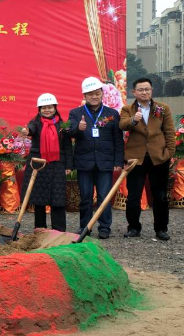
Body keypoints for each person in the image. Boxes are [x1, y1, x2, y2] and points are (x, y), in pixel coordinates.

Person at [119, 77, 176, 240]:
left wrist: (169, 153)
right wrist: (133, 120)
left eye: (147, 89)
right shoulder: (127, 109)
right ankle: (133, 228)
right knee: (133, 195)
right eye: (141, 89)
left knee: (160, 195)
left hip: (158, 157)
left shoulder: (162, 108)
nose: (144, 92)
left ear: (151, 90)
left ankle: (161, 229)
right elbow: (122, 125)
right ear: (134, 92)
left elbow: (169, 132)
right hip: (135, 159)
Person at [68, 77, 124, 239]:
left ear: (102, 94)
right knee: (85, 196)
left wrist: (118, 161)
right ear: (84, 95)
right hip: (84, 162)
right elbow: (69, 132)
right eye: (90, 94)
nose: (94, 96)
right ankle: (85, 227)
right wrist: (78, 128)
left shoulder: (112, 114)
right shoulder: (76, 113)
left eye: (97, 93)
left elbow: (118, 140)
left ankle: (104, 227)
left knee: (104, 196)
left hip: (105, 162)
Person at [20, 93, 73, 232]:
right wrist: (27, 131)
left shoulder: (62, 125)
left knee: (58, 199)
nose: (47, 110)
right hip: (39, 164)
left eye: (50, 107)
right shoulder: (35, 122)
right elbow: (31, 129)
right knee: (39, 199)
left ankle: (59, 231)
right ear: (39, 110)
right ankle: (40, 230)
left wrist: (69, 165)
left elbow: (67, 146)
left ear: (55, 108)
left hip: (57, 164)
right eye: (44, 108)